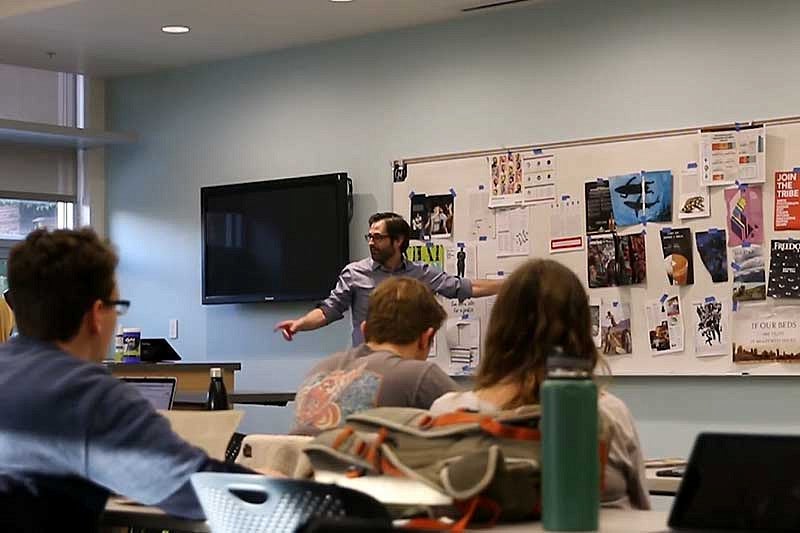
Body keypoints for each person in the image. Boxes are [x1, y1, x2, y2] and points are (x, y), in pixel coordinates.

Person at [0, 228, 259, 531]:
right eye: (116, 307)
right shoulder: (86, 395)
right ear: (97, 315)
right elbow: (197, 488)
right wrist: (268, 483)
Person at [429, 259, 650, 510]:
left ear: (499, 327)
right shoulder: (606, 413)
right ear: (580, 327)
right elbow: (642, 511)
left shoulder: (446, 413)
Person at [275, 212, 503, 346]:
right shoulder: (354, 273)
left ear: (398, 241)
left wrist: (508, 286)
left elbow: (461, 287)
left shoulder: (420, 274)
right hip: (365, 366)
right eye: (370, 237)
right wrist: (299, 325)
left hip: (405, 366)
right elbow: (329, 310)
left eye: (378, 237)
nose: (371, 242)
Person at [291, 277, 457, 436]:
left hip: (294, 464)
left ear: (364, 331)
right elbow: (479, 427)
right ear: (426, 338)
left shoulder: (319, 370)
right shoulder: (420, 376)